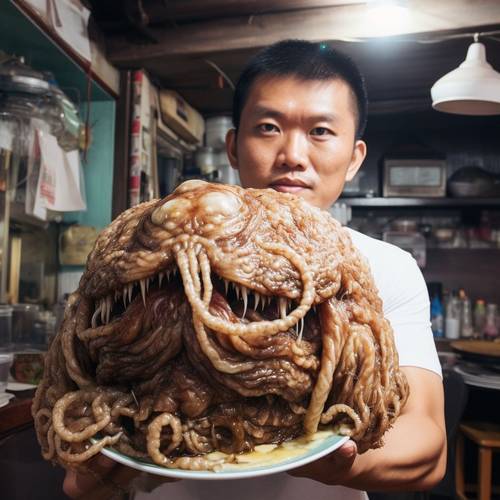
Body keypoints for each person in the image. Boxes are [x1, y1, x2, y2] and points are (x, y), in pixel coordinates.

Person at [63, 39, 446, 500]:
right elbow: (79, 482)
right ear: (233, 146)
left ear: (354, 157)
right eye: (268, 127)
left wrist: (340, 465)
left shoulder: (386, 267)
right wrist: (114, 464)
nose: (293, 155)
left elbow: (428, 446)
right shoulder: (153, 257)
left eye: (321, 131)